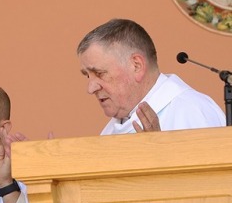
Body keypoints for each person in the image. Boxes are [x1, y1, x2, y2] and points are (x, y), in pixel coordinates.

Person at [77, 18, 225, 134]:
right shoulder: (110, 130)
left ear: (136, 65)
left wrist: (158, 153)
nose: (91, 88)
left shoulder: (191, 111)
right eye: (87, 76)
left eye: (99, 73)